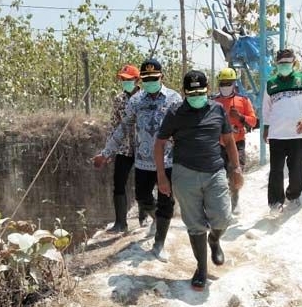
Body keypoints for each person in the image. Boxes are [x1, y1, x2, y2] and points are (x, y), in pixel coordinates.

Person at [155, 70, 243, 291]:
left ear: (207, 90)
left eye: (200, 92)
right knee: (195, 225)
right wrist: (161, 177)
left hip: (215, 172)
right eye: (192, 93)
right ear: (185, 92)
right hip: (184, 175)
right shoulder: (175, 112)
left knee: (223, 218)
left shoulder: (217, 109)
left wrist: (236, 168)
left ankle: (214, 240)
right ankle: (201, 269)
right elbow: (160, 144)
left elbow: (229, 141)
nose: (196, 96)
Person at [92, 59, 182, 262]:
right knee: (143, 198)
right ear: (142, 79)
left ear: (162, 77)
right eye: (147, 79)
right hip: (142, 162)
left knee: (166, 202)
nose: (150, 82)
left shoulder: (174, 99)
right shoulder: (136, 101)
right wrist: (106, 153)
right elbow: (122, 128)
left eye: (154, 79)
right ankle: (157, 218)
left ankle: (159, 244)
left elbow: (182, 131)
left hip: (167, 161)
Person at [262, 49, 302, 214]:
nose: (284, 66)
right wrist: (266, 128)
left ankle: (293, 195)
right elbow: (266, 108)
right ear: (277, 64)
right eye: (281, 63)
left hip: (298, 133)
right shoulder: (270, 83)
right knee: (276, 170)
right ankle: (275, 201)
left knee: (298, 168)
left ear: (293, 63)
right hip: (277, 134)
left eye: (287, 63)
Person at [93, 64, 144, 233]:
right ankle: (120, 223)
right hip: (124, 149)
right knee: (119, 183)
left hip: (143, 148)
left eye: (128, 79)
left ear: (137, 80)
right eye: (123, 79)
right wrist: (107, 151)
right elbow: (114, 126)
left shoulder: (145, 98)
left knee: (144, 183)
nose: (124, 82)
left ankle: (144, 219)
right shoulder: (118, 99)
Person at [211, 67, 257, 214]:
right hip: (218, 144)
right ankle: (222, 203)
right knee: (219, 175)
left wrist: (241, 118)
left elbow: (253, 122)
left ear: (234, 83)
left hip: (237, 143)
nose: (225, 86)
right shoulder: (213, 102)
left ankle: (235, 200)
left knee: (235, 171)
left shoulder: (243, 101)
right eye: (222, 83)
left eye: (228, 83)